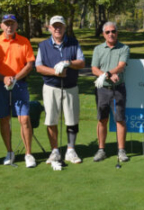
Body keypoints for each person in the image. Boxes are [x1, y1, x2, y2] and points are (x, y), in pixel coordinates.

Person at [35, 16, 85, 164]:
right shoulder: (43, 45)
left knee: (72, 120)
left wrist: (67, 63)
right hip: (51, 87)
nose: (57, 28)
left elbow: (81, 62)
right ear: (49, 28)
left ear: (64, 28)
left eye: (60, 26)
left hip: (70, 87)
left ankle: (70, 150)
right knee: (51, 120)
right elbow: (38, 67)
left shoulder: (73, 43)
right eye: (54, 26)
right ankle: (55, 151)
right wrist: (54, 71)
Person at [0, 14, 36, 168]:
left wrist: (15, 78)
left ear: (16, 25)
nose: (9, 26)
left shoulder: (24, 41)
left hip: (19, 85)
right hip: (1, 85)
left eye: (12, 24)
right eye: (6, 24)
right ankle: (10, 152)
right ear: (1, 26)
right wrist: (4, 78)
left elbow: (29, 64)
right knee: (4, 119)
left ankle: (28, 154)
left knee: (24, 119)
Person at [91, 22, 130, 162]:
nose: (111, 34)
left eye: (113, 31)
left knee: (120, 119)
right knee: (102, 119)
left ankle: (121, 151)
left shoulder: (124, 48)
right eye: (107, 32)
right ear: (103, 34)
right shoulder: (98, 49)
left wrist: (107, 73)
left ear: (117, 32)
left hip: (118, 89)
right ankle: (101, 150)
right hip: (102, 89)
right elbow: (94, 69)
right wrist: (107, 76)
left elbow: (121, 66)